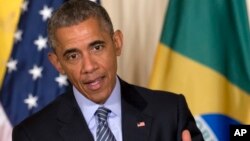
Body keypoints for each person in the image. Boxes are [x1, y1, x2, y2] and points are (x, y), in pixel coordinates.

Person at [12, 0, 204, 141]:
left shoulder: (170, 112)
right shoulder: (33, 135)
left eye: (97, 47)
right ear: (57, 64)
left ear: (117, 43)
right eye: (73, 56)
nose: (89, 67)